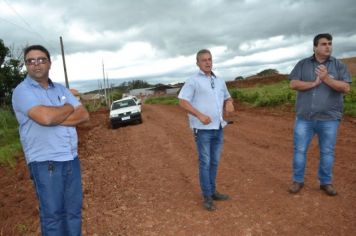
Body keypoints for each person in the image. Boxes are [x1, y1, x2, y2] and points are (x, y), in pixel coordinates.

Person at [12, 45, 89, 235]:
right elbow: (45, 118)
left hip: (71, 159)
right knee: (53, 215)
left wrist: (55, 116)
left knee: (73, 212)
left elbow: (84, 115)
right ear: (26, 65)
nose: (36, 64)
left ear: (49, 63)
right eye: (31, 61)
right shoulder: (22, 91)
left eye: (41, 59)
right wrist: (68, 108)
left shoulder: (61, 89)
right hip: (45, 162)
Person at [288, 33, 351, 196]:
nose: (328, 46)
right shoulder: (302, 64)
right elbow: (293, 83)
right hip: (305, 118)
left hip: (329, 118)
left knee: (327, 151)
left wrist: (326, 79)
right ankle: (297, 181)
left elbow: (346, 88)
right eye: (323, 44)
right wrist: (314, 83)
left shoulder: (338, 66)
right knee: (300, 150)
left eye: (330, 43)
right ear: (315, 47)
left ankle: (326, 182)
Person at [178, 49, 234, 211]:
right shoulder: (193, 81)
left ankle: (213, 191)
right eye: (204, 60)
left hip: (218, 127)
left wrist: (229, 102)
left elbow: (227, 97)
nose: (208, 62)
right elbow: (182, 101)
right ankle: (207, 196)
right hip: (202, 129)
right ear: (197, 63)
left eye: (209, 59)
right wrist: (199, 115)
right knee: (205, 162)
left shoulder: (219, 80)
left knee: (214, 162)